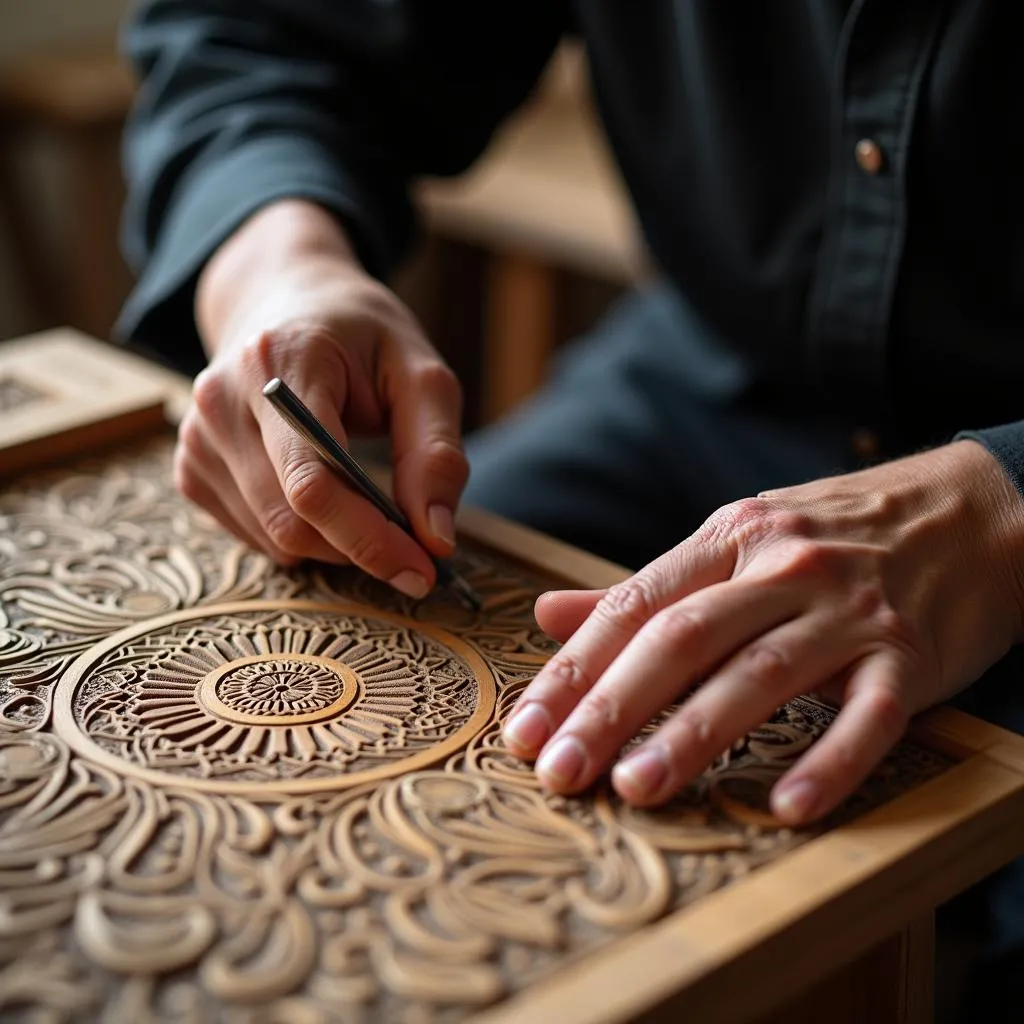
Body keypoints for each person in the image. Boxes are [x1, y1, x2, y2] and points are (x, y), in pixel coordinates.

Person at [117, 4, 1024, 1017]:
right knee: (362, 650)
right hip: (714, 381)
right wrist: (275, 273)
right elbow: (271, 34)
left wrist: (1003, 503)